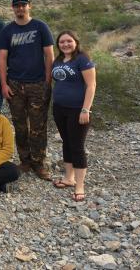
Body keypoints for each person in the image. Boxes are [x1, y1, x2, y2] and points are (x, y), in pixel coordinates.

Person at [0, 0, 55, 180]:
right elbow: (2, 58)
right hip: (15, 84)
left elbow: (49, 55)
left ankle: (39, 163)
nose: (20, 8)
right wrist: (4, 84)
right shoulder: (8, 30)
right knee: (20, 125)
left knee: (38, 126)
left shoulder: (40, 27)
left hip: (37, 83)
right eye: (17, 6)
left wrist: (47, 81)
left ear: (30, 6)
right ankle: (25, 160)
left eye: (23, 5)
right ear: (12, 8)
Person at [51, 30, 96, 202]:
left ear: (76, 42)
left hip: (77, 109)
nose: (65, 44)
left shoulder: (83, 59)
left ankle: (79, 185)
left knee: (77, 146)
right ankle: (68, 178)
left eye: (69, 41)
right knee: (66, 142)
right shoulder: (59, 60)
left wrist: (86, 109)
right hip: (59, 108)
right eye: (62, 42)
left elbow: (91, 85)